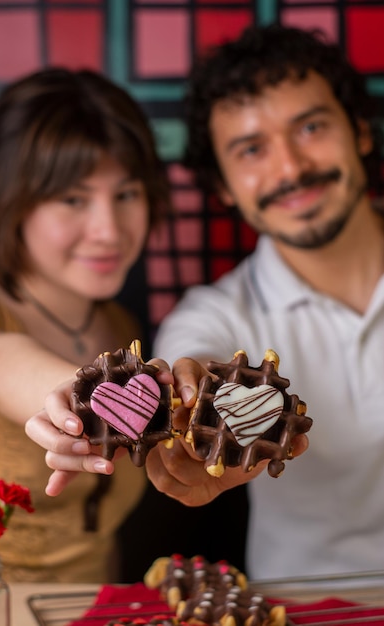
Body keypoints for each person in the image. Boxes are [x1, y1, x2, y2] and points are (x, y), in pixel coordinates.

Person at [25, 23, 384, 581]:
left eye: (310, 127)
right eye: (251, 149)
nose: (289, 168)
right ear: (221, 185)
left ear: (360, 131)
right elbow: (191, 362)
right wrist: (189, 427)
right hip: (303, 608)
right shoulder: (214, 311)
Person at [0, 67, 172, 583]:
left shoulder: (124, 332)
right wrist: (79, 397)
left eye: (126, 194)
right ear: (9, 203)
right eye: (73, 199)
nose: (109, 230)